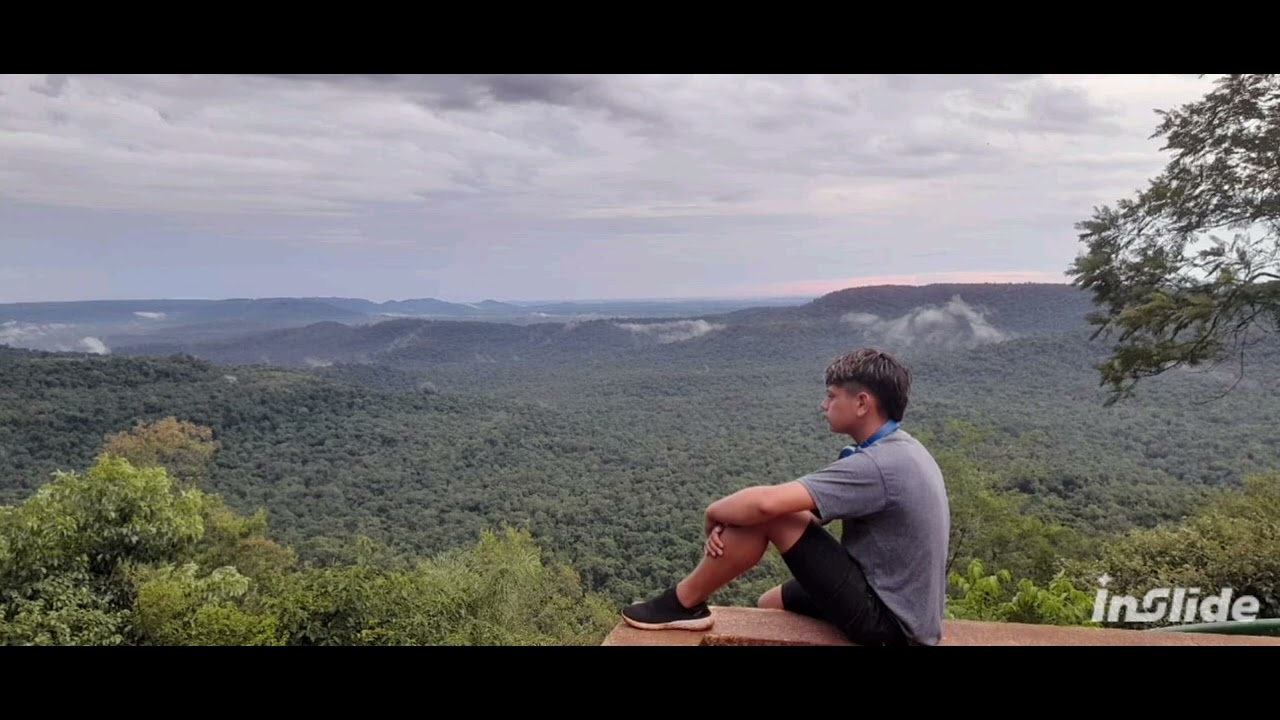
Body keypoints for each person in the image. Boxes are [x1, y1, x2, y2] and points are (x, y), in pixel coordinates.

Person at [620, 348, 951, 646]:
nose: (824, 404)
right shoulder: (898, 450)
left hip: (892, 627)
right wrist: (740, 517)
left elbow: (768, 504)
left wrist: (714, 514)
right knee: (770, 602)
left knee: (769, 514)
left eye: (832, 396)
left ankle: (683, 602)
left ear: (863, 403)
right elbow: (810, 514)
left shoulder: (880, 465)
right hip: (897, 604)